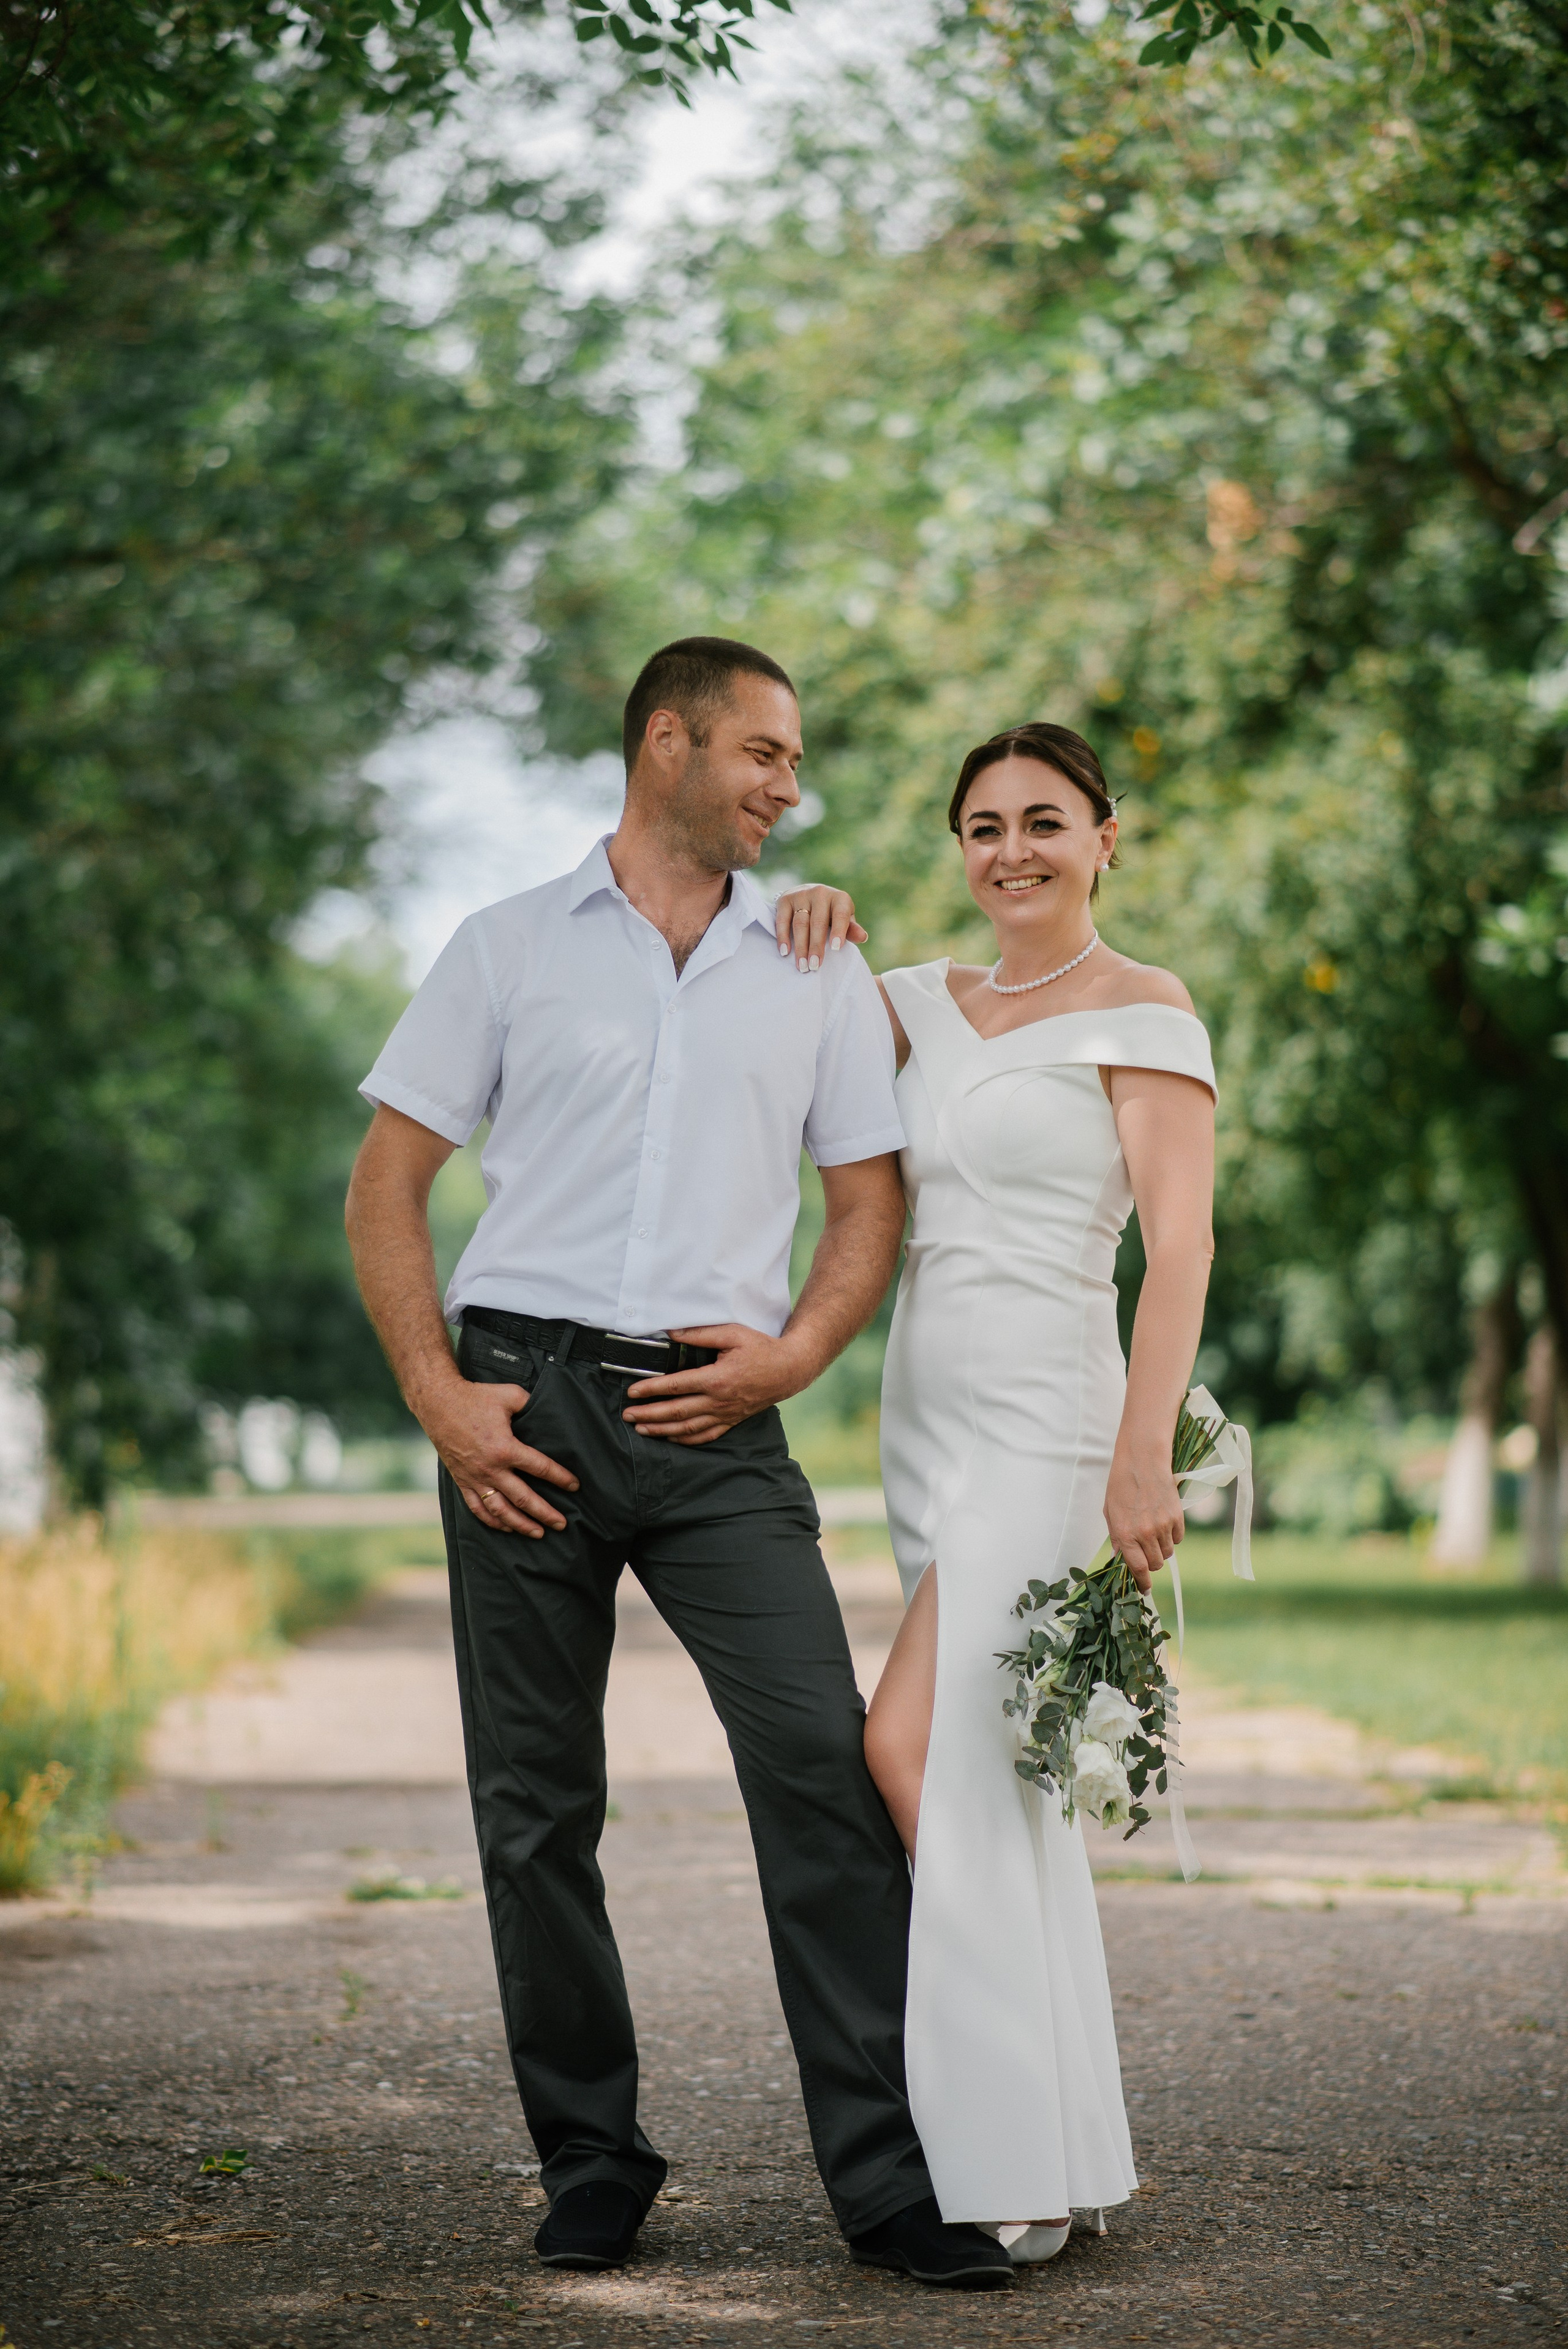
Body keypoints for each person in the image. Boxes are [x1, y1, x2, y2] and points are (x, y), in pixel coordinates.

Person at [344, 638, 1015, 2290]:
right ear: (668, 741)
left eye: (793, 759)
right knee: (535, 1808)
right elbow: (387, 1182)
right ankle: (591, 2158)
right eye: (764, 752)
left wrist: (796, 1353)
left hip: (721, 1420)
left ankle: (891, 2181)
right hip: (521, 1411)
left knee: (822, 1775)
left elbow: (865, 1203)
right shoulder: (505, 946)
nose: (790, 784)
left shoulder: (812, 967)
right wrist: (439, 1394)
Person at [777, 721, 1216, 2263]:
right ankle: (1051, 2140)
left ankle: (1000, 2154)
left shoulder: (1145, 1009)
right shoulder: (913, 1003)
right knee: (987, 1776)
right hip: (925, 1414)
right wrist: (806, 907)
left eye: (1041, 820)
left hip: (1050, 1415)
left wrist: (1142, 1450)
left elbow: (1179, 1248)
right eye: (981, 827)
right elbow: (777, 1029)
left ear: (1104, 837)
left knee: (911, 1747)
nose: (1010, 850)